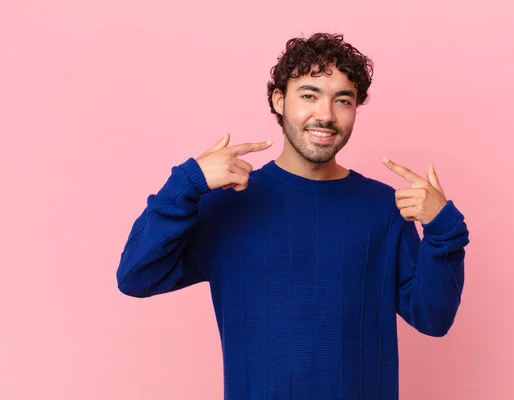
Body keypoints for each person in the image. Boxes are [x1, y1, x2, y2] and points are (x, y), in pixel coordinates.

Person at [116, 32, 470, 399]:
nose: (326, 115)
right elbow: (136, 276)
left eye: (342, 100)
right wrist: (185, 184)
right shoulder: (230, 203)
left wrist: (444, 230)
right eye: (309, 95)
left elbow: (434, 319)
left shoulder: (385, 209)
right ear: (279, 100)